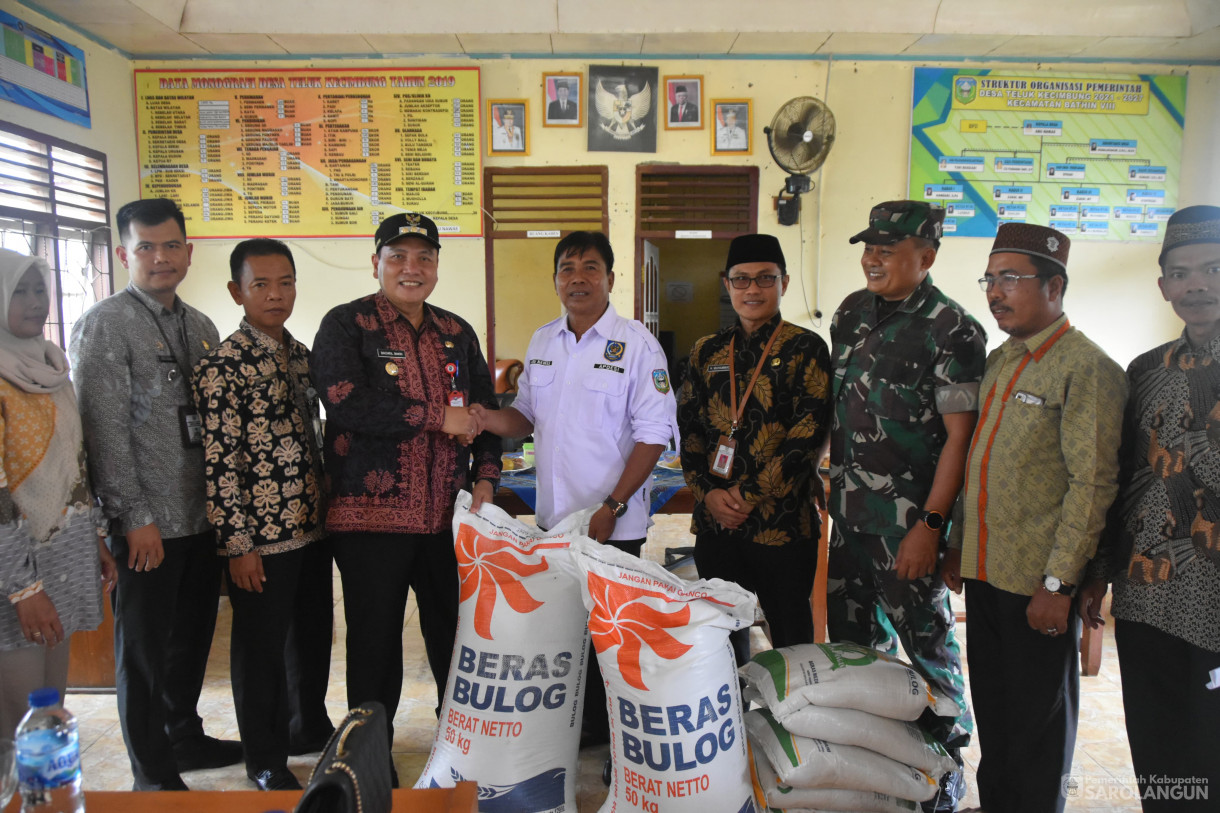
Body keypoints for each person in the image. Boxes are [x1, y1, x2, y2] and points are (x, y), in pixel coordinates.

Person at [943, 223, 1126, 813]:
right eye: (990, 279)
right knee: (996, 712)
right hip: (986, 573)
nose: (995, 292)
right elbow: (981, 467)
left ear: (1055, 286)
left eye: (1010, 279)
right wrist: (958, 544)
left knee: (1039, 727)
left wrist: (1059, 584)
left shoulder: (1085, 368)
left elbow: (1092, 483)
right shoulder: (1001, 360)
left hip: (1037, 584)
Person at [468, 230, 677, 743]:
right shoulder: (543, 340)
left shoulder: (638, 345)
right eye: (567, 268)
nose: (577, 278)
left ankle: (615, 731)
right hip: (555, 521)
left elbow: (654, 437)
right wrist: (482, 418)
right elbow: (525, 417)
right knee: (566, 627)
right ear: (555, 279)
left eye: (589, 268)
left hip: (613, 522)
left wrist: (613, 505)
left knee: (611, 631)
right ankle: (578, 726)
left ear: (610, 277)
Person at [309, 212, 500, 765]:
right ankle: (368, 758)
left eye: (424, 258)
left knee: (455, 640)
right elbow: (346, 400)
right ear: (376, 264)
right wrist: (439, 417)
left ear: (437, 267)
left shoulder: (456, 332)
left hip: (448, 520)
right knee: (374, 645)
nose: (411, 269)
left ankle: (459, 747)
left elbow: (484, 412)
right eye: (398, 257)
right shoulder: (347, 325)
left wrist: (486, 475)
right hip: (369, 523)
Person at [70, 198, 239, 791]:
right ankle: (151, 770)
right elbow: (103, 430)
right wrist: (132, 517)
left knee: (191, 638)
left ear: (189, 252)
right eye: (146, 247)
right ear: (123, 254)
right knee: (143, 653)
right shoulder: (105, 324)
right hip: (146, 524)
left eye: (171, 245)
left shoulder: (200, 325)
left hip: (200, 516)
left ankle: (184, 738)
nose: (161, 258)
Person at [828, 201, 985, 812]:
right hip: (847, 522)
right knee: (855, 655)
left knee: (929, 653)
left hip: (907, 530)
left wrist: (931, 526)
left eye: (888, 250)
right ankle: (878, 774)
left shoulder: (953, 329)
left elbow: (960, 439)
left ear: (927, 258)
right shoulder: (850, 312)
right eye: (869, 246)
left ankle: (946, 771)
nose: (872, 258)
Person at [1077, 205, 1220, 810]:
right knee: (1158, 746)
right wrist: (1099, 570)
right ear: (1163, 286)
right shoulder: (1144, 372)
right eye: (1182, 273)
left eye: (1212, 269)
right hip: (1147, 591)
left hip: (1214, 599)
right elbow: (1122, 477)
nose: (1197, 285)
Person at [192, 239, 334, 791]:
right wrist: (238, 545)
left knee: (313, 637)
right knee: (260, 650)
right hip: (261, 538)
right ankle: (265, 756)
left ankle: (305, 726)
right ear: (237, 292)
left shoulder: (300, 356)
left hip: (312, 528)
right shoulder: (222, 367)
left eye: (286, 283)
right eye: (261, 285)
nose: (276, 295)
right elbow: (220, 463)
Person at [678, 233, 831, 663]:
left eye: (765, 279)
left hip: (781, 525)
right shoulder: (706, 350)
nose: (753, 290)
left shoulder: (806, 348)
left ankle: (793, 724)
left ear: (784, 282)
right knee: (721, 634)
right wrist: (708, 493)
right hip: (716, 525)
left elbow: (807, 436)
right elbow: (689, 428)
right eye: (741, 280)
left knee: (791, 636)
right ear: (726, 284)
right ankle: (734, 722)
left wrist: (744, 496)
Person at [0, 249, 117, 737]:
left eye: (39, 289)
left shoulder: (51, 369)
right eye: (18, 291)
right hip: (13, 575)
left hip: (64, 554)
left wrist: (96, 541)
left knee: (50, 709)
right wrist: (24, 590)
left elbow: (76, 467)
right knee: (17, 722)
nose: (34, 302)